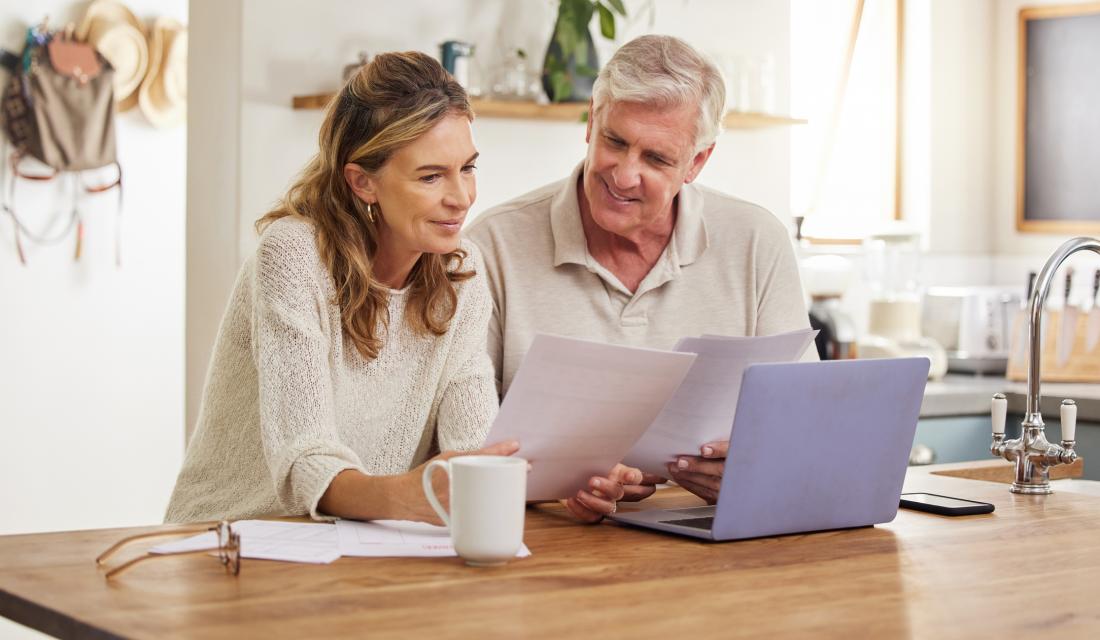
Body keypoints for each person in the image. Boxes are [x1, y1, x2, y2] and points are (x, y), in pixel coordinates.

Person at [466, 35, 813, 519]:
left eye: (656, 159)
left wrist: (756, 466)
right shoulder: (491, 245)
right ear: (591, 121)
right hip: (543, 543)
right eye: (615, 141)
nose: (624, 175)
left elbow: (806, 426)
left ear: (696, 162)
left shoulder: (757, 241)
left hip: (712, 545)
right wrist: (553, 484)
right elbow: (463, 444)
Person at [166, 51, 516, 524]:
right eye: (431, 176)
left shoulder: (461, 272)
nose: (461, 198)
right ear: (362, 182)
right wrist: (409, 497)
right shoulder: (294, 257)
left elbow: (476, 446)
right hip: (232, 537)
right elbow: (306, 459)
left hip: (362, 543)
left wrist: (558, 473)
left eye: (468, 168)